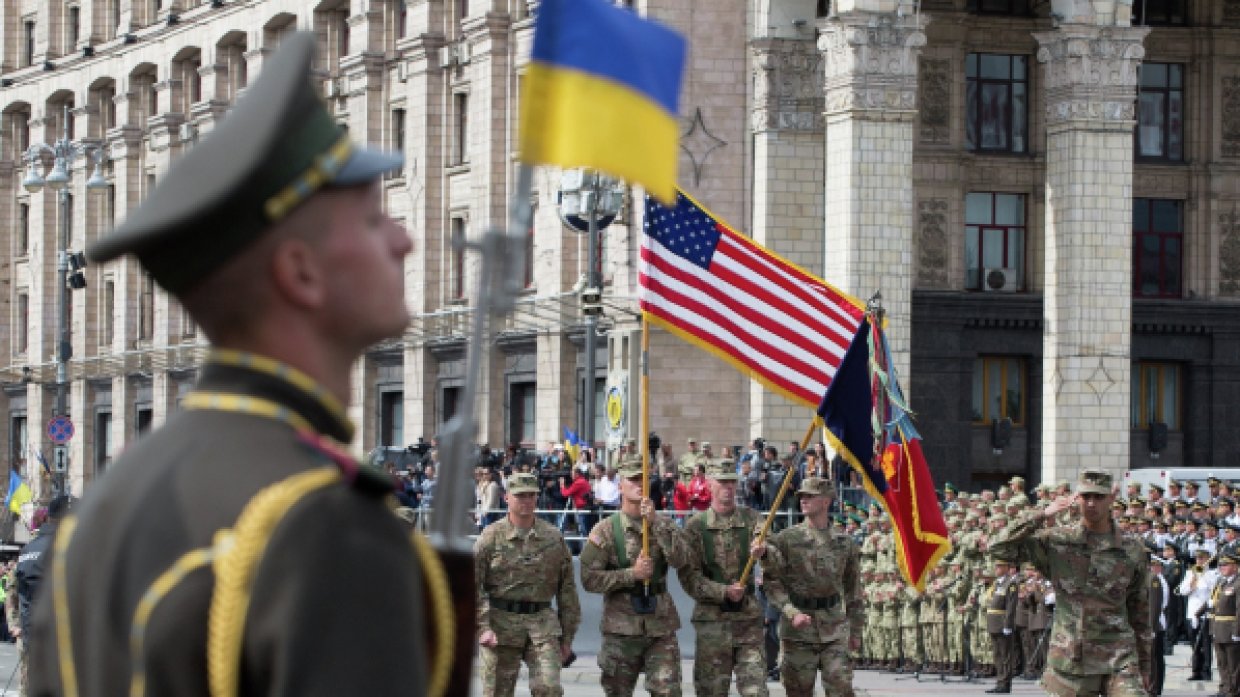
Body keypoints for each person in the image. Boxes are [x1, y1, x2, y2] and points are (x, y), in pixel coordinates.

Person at [27, 33, 435, 697]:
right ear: (299, 272)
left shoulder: (101, 513)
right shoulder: (324, 523)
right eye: (371, 220)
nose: (403, 237)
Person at [991, 469, 1153, 696]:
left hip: (1118, 657)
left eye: (1098, 497)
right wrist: (1040, 514)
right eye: (1086, 496)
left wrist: (1145, 665)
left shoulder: (1131, 549)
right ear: (1076, 499)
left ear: (1111, 499)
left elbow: (1140, 611)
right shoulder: (1058, 541)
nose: (1091, 503)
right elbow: (999, 547)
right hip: (1070, 660)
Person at [580, 457, 694, 696]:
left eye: (643, 479)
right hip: (621, 627)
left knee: (668, 691)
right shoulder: (606, 530)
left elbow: (683, 560)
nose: (639, 484)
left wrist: (656, 525)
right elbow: (589, 579)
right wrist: (632, 575)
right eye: (632, 479)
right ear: (620, 485)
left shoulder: (665, 525)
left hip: (660, 625)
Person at [475, 473, 581, 697]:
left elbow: (567, 592)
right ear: (507, 498)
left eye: (531, 495)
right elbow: (473, 586)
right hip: (500, 626)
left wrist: (567, 638)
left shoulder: (553, 538)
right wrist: (482, 627)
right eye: (520, 495)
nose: (526, 500)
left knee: (549, 689)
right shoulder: (490, 537)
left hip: (541, 625)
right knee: (496, 692)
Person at [762, 477, 863, 697]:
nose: (803, 500)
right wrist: (790, 611)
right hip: (797, 629)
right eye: (801, 496)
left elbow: (853, 589)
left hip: (834, 627)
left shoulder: (844, 542)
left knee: (841, 688)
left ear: (826, 502)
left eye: (810, 496)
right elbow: (772, 582)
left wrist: (856, 629)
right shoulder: (786, 540)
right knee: (798, 691)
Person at [680, 460, 768, 696]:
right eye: (722, 482)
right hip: (712, 623)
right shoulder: (695, 527)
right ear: (709, 484)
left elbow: (771, 548)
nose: (728, 487)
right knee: (711, 691)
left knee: (756, 690)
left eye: (732, 481)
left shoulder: (752, 519)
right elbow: (689, 578)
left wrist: (764, 551)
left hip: (747, 620)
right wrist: (722, 592)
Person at [984, 557, 1020, 694]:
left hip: (1002, 623)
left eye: (1000, 566)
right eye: (996, 566)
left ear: (1006, 568)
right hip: (993, 623)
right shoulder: (997, 584)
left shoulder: (1010, 584)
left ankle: (1005, 684)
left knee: (1005, 655)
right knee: (997, 655)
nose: (997, 569)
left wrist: (1008, 625)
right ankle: (999, 681)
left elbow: (1011, 607)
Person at [1211, 552, 1240, 697]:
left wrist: (1237, 631)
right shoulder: (1222, 582)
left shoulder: (1238, 583)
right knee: (1222, 662)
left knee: (1233, 663)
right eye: (1220, 565)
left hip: (1231, 628)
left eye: (1225, 564)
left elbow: (1239, 609)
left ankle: (1233, 691)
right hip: (1219, 627)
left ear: (1235, 566)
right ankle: (1224, 687)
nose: (1222, 567)